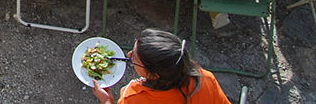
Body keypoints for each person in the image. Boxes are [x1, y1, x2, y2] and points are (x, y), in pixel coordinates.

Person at [91, 29, 230, 104]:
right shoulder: (205, 78)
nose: (129, 55)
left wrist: (107, 101)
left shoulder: (134, 97)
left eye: (134, 57)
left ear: (155, 75)